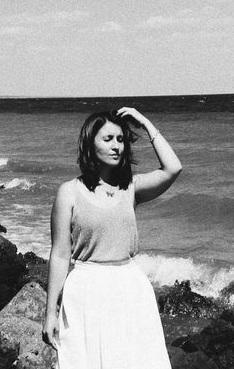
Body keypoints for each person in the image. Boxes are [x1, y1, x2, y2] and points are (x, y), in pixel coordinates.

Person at [43, 105, 182, 367]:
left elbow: (173, 168)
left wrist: (144, 123)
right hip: (86, 289)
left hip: (130, 286)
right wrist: (50, 313)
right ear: (90, 144)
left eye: (120, 139)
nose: (116, 145)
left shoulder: (131, 187)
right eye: (108, 139)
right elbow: (60, 254)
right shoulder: (69, 192)